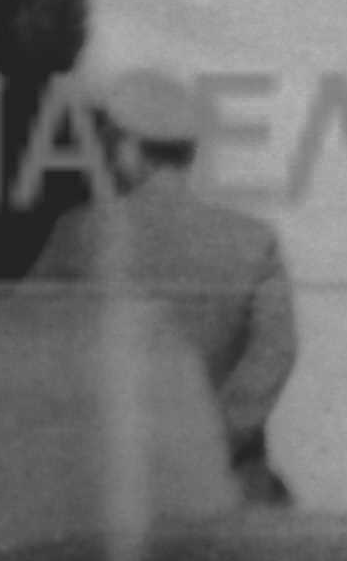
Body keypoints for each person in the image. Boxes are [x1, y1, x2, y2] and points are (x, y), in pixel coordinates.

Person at [48, 74, 298, 504]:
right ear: (191, 154)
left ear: (126, 152)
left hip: (108, 481)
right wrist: (209, 438)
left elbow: (26, 340)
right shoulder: (254, 240)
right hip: (223, 481)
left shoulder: (80, 233)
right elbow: (275, 354)